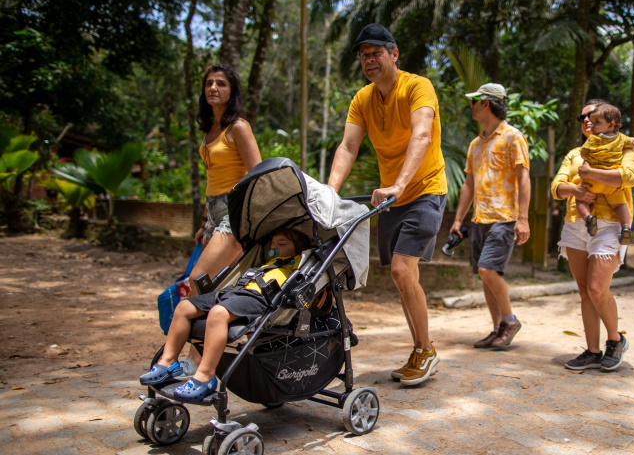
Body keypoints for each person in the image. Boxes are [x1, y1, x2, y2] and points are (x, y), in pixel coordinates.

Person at [328, 23, 447, 386]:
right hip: (393, 197)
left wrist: (399, 184)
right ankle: (420, 349)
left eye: (376, 53)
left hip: (424, 189)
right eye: (364, 55)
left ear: (394, 54)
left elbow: (422, 134)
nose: (369, 60)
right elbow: (348, 147)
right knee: (403, 277)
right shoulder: (362, 98)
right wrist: (329, 192)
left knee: (400, 270)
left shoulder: (417, 86)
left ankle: (426, 351)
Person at [140, 228, 310, 401]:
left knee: (218, 313)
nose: (273, 248)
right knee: (184, 306)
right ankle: (168, 362)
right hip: (235, 291)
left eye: (281, 244)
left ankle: (205, 376)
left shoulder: (297, 263)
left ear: (298, 250)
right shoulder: (266, 262)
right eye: (272, 245)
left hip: (259, 297)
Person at [181, 64, 261, 376]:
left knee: (196, 279)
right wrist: (204, 222)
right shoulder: (209, 131)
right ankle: (204, 348)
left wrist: (248, 220)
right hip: (213, 213)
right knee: (208, 282)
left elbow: (258, 173)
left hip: (234, 211)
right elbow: (211, 178)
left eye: (221, 84)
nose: (214, 88)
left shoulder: (238, 127)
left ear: (232, 91)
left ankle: (198, 357)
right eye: (209, 84)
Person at [551, 99, 634, 372]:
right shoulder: (575, 153)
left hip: (611, 225)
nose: (587, 120)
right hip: (577, 224)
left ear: (607, 120)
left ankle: (615, 340)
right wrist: (575, 191)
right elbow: (557, 185)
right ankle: (591, 351)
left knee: (597, 288)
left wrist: (590, 174)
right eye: (582, 117)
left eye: (593, 116)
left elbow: (629, 177)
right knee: (584, 292)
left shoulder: (625, 146)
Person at [449, 83, 530, 349]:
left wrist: (523, 218)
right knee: (484, 274)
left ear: (486, 103)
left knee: (487, 269)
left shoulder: (513, 137)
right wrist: (459, 220)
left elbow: (524, 178)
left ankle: (510, 320)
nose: (470, 105)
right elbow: (468, 185)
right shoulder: (476, 144)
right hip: (479, 219)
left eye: (474, 101)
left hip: (505, 217)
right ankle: (497, 329)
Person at [575, 103, 634, 245]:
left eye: (596, 122)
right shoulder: (621, 139)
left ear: (610, 125)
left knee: (581, 200)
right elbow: (632, 142)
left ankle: (588, 217)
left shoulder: (593, 139)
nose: (592, 124)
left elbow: (584, 152)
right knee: (620, 205)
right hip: (612, 184)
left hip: (592, 183)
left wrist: (589, 169)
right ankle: (626, 226)